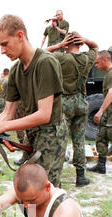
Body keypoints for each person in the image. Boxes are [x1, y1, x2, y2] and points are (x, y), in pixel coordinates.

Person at [0, 14, 67, 188]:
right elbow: (7, 113)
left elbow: (44, 114)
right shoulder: (16, 70)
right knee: (26, 187)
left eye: (5, 44)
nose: (2, 51)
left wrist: (3, 127)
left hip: (51, 134)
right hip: (33, 133)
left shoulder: (45, 63)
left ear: (20, 36)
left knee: (44, 189)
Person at [47, 32, 98, 186]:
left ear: (66, 44)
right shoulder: (87, 59)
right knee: (79, 140)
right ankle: (81, 176)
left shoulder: (61, 58)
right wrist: (86, 39)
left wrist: (59, 45)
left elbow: (42, 52)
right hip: (82, 102)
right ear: (80, 44)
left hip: (65, 102)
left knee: (60, 141)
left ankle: (57, 178)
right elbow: (95, 46)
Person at [88, 50, 112, 174]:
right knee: (101, 137)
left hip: (109, 115)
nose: (96, 66)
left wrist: (100, 111)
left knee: (105, 136)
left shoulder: (111, 74)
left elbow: (111, 92)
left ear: (105, 60)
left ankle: (101, 165)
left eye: (97, 63)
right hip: (108, 115)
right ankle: (101, 165)